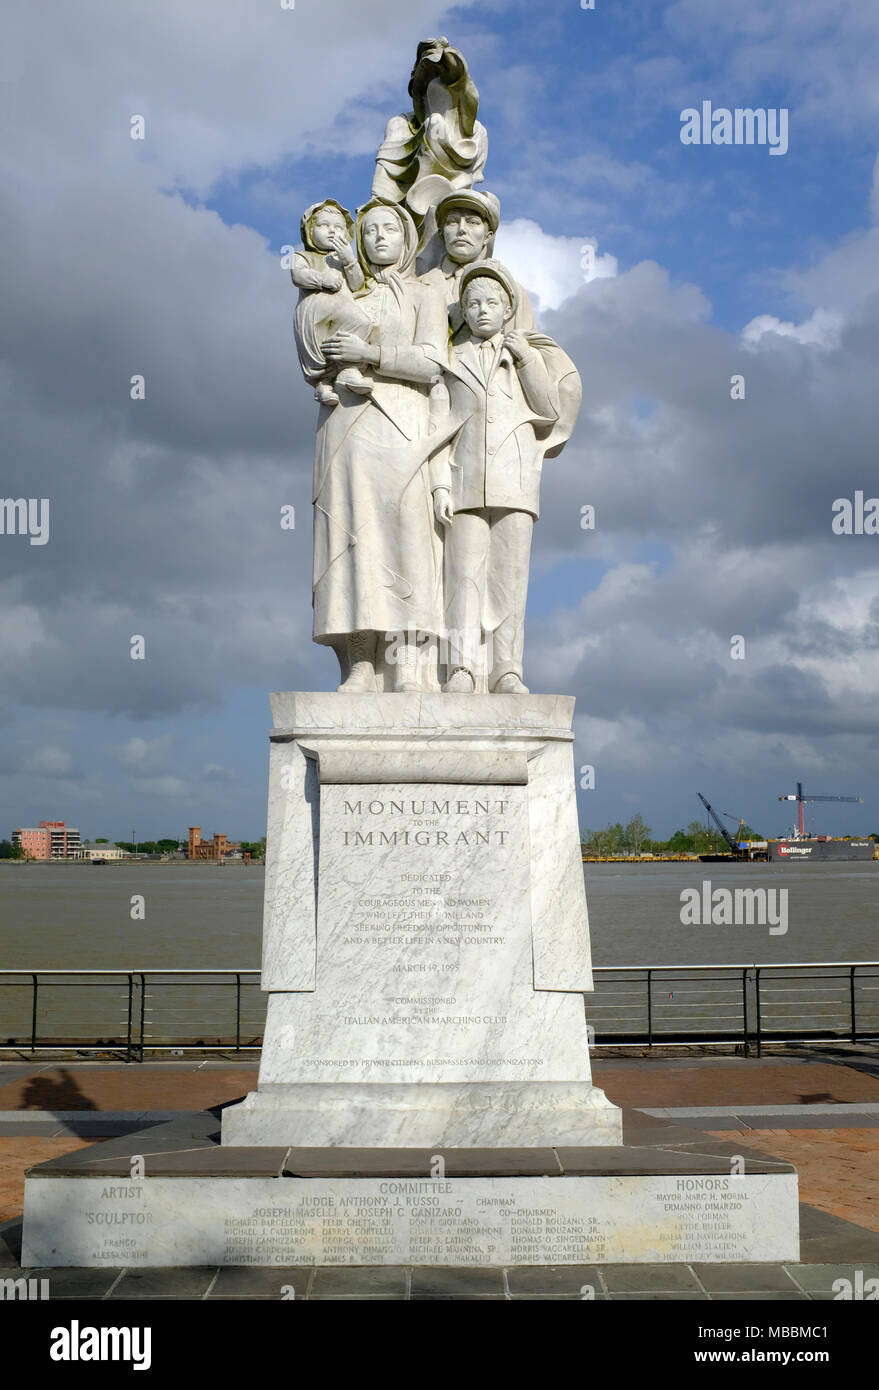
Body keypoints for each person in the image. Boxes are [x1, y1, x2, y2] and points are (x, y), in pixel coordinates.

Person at [314, 199, 456, 692]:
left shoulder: (423, 294)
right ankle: (361, 662)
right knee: (354, 540)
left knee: (407, 541)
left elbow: (433, 364)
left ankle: (412, 663)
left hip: (404, 428)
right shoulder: (345, 294)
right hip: (348, 428)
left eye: (388, 229)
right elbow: (316, 343)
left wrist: (369, 353)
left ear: (406, 239)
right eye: (369, 230)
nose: (377, 238)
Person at [430, 262, 581, 694]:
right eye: (473, 303)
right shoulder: (450, 359)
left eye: (491, 303)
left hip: (515, 482)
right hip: (463, 482)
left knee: (510, 579)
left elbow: (549, 411)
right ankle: (461, 668)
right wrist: (441, 483)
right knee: (462, 578)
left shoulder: (522, 358)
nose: (481, 311)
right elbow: (438, 428)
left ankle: (507, 670)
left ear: (507, 308)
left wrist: (529, 359)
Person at [418, 190, 534, 341]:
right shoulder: (418, 284)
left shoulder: (512, 291)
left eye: (472, 222)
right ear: (441, 234)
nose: (461, 230)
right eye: (452, 222)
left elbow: (523, 350)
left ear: (488, 236)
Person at [291, 200, 374, 405]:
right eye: (324, 225)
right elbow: (298, 276)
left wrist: (349, 261)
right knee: (319, 352)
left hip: (341, 309)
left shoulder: (342, 259)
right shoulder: (302, 256)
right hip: (314, 310)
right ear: (311, 230)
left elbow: (357, 285)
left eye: (338, 227)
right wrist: (322, 280)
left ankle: (347, 370)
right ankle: (322, 384)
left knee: (362, 323)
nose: (332, 231)